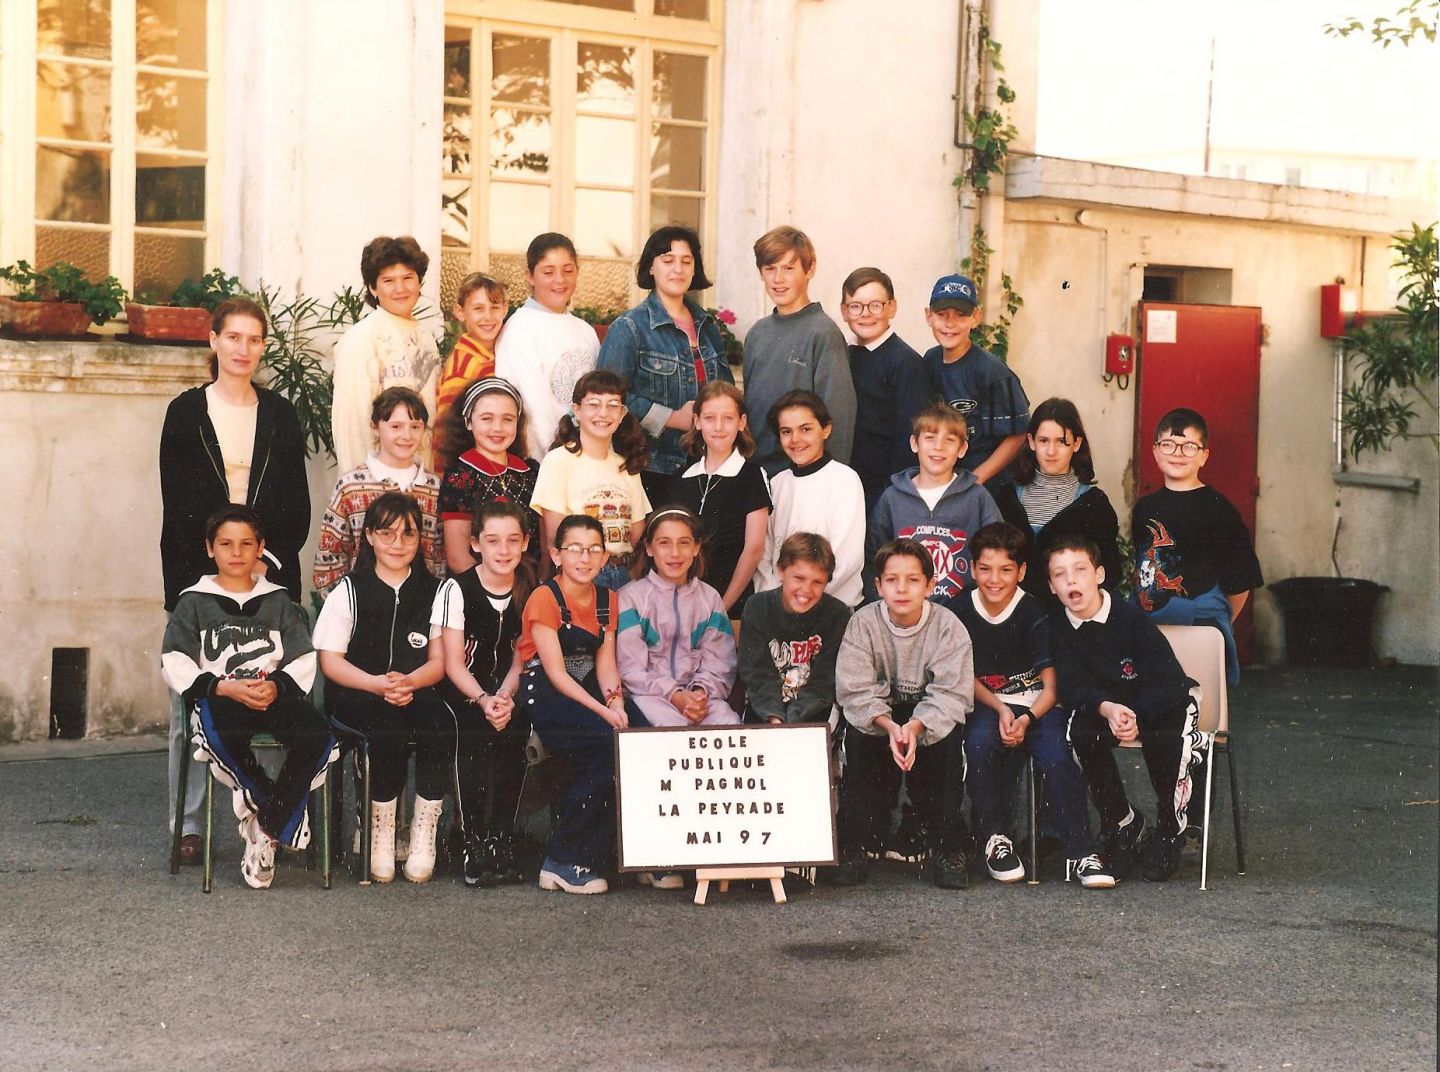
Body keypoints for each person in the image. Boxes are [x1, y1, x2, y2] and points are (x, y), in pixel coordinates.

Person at [159, 297, 310, 865]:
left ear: (262, 347)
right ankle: (189, 824)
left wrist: (262, 560)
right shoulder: (185, 412)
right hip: (202, 577)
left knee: (268, 694)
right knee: (191, 703)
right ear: (214, 341)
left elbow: (295, 501)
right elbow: (177, 505)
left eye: (254, 340)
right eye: (234, 337)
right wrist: (204, 575)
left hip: (265, 573)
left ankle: (273, 816)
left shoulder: (280, 415)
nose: (243, 349)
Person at [160, 506, 335, 890]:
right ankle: (276, 811)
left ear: (261, 548)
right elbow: (175, 659)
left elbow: (303, 656)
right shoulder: (193, 601)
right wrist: (220, 686)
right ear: (210, 549)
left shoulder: (278, 602)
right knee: (218, 734)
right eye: (225, 544)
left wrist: (276, 685)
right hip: (222, 696)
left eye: (246, 544)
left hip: (270, 693)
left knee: (317, 734)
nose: (236, 553)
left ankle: (266, 824)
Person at [944, 522, 1114, 888]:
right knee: (978, 742)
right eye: (985, 569)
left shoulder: (1034, 612)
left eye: (1006, 569)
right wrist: (1002, 710)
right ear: (972, 569)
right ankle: (996, 838)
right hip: (988, 703)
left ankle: (1081, 851)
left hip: (1038, 704)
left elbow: (1052, 687)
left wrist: (1025, 718)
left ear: (1021, 571)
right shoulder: (957, 609)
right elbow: (962, 676)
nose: (994, 579)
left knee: (1056, 753)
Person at [313, 493, 454, 884]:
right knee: (386, 726)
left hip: (414, 687)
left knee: (440, 721)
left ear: (420, 540)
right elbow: (331, 662)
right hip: (357, 690)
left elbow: (439, 662)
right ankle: (380, 833)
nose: (397, 544)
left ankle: (423, 833)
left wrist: (409, 682)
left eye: (408, 535)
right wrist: (377, 684)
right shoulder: (348, 590)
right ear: (370, 537)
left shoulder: (437, 591)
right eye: (386, 533)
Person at [1048, 536, 1204, 883]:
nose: (1071, 580)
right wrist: (1107, 708)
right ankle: (1122, 822)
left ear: (1100, 574)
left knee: (1165, 739)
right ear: (1052, 586)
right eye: (1060, 574)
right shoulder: (1058, 626)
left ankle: (1169, 830)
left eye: (1080, 570)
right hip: (1109, 704)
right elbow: (1071, 686)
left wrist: (1138, 715)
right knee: (1080, 733)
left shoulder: (1129, 618)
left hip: (1160, 700)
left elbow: (1168, 680)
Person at [832, 539, 973, 890]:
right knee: (860, 739)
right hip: (882, 715)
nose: (902, 588)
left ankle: (946, 845)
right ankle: (855, 844)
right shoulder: (863, 623)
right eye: (891, 580)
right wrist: (890, 725)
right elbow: (855, 689)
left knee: (946, 739)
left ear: (929, 584)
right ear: (877, 585)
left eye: (912, 580)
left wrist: (914, 726)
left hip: (924, 715)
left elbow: (951, 692)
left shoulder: (947, 626)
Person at [518, 514, 645, 895]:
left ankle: (632, 855)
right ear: (556, 555)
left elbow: (606, 662)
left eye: (593, 549)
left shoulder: (609, 598)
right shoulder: (545, 597)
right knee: (609, 744)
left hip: (590, 688)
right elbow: (556, 673)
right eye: (574, 548)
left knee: (642, 737)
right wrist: (605, 713)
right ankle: (562, 858)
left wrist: (616, 700)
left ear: (605, 556)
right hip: (547, 691)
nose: (584, 557)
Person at [597, 225, 734, 506]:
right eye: (668, 260)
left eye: (686, 261)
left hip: (709, 464)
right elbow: (606, 400)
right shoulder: (629, 328)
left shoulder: (708, 327)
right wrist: (671, 418)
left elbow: (727, 390)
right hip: (653, 467)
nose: (678, 269)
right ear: (650, 267)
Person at [433, 500, 532, 889]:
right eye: (493, 541)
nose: (503, 550)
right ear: (476, 544)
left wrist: (504, 697)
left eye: (512, 540)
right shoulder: (456, 589)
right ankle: (471, 838)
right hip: (464, 691)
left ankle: (502, 837)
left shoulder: (532, 591)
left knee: (516, 730)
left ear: (525, 543)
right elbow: (453, 663)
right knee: (471, 730)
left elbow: (521, 658)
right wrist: (483, 700)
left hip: (507, 689)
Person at [1131, 407, 1264, 685]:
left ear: (1204, 455)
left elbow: (1241, 581)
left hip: (1199, 625)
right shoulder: (1145, 508)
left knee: (1201, 705)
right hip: (1152, 625)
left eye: (1189, 446)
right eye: (1168, 444)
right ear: (1155, 451)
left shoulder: (1218, 509)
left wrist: (1213, 622)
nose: (1178, 453)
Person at [741, 226, 856, 470]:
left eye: (788, 268)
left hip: (804, 474)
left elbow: (838, 419)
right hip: (759, 475)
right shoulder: (757, 333)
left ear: (810, 269)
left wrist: (828, 479)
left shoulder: (823, 332)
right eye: (770, 269)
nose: (778, 279)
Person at [617, 507, 740, 729]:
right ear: (649, 548)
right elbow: (630, 669)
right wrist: (674, 695)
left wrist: (699, 693)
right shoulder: (630, 598)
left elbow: (721, 662)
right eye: (664, 543)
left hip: (701, 699)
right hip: (649, 697)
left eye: (684, 542)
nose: (675, 553)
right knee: (670, 730)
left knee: (728, 724)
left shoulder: (709, 598)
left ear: (696, 547)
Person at [313, 387, 443, 596]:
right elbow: (330, 558)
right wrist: (346, 607)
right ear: (375, 427)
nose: (406, 436)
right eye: (396, 426)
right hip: (364, 606)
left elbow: (439, 556)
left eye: (415, 427)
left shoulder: (434, 488)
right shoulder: (351, 486)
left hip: (421, 606)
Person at [865, 402, 1001, 603]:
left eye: (949, 440)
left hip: (960, 614)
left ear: (962, 448)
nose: (938, 447)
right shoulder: (892, 498)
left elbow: (998, 553)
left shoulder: (977, 497)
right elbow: (873, 559)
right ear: (914, 443)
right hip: (904, 612)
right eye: (929, 438)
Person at [992, 397, 1122, 605]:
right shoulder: (1007, 498)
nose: (1051, 451)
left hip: (1071, 617)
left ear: (1077, 443)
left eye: (1062, 442)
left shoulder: (1094, 504)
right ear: (1031, 442)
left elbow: (1109, 574)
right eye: (1044, 441)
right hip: (1016, 616)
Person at [530, 369, 652, 591]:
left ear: (623, 413)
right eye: (594, 404)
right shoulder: (559, 461)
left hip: (625, 574)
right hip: (582, 574)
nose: (603, 413)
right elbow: (554, 536)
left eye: (613, 405)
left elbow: (636, 532)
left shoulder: (626, 465)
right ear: (576, 410)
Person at [331, 235, 441, 473]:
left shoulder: (426, 339)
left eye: (408, 278)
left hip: (420, 479)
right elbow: (352, 428)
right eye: (389, 280)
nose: (400, 289)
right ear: (373, 287)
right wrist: (363, 489)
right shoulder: (361, 339)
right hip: (375, 487)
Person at [754, 391, 866, 608]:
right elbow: (764, 556)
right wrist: (778, 604)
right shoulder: (776, 484)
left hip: (829, 609)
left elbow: (847, 558)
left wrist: (804, 600)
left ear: (826, 429)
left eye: (805, 429)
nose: (795, 439)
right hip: (779, 609)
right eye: (786, 431)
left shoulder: (844, 480)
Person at [494, 233, 599, 459]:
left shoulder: (586, 331)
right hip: (544, 463)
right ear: (530, 276)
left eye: (568, 271)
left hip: (586, 459)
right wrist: (554, 463)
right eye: (548, 272)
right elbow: (532, 412)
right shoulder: (519, 329)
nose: (560, 280)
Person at [673, 381, 773, 619]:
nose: (718, 427)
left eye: (728, 418)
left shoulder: (751, 475)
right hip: (683, 604)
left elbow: (754, 549)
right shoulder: (683, 477)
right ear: (697, 421)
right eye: (709, 418)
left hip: (730, 604)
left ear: (742, 422)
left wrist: (721, 608)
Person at [840, 267, 933, 517]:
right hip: (846, 483)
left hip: (882, 490)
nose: (866, 314)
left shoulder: (905, 363)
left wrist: (891, 494)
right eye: (856, 306)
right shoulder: (843, 355)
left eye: (875, 305)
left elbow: (909, 437)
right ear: (844, 311)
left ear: (891, 308)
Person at [921, 273, 1029, 487]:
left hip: (984, 485)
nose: (950, 324)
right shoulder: (930, 360)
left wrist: (977, 479)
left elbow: (1018, 433)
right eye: (942, 314)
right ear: (928, 316)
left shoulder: (991, 371)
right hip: (943, 477)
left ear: (976, 318)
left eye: (960, 315)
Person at [738, 533, 851, 725]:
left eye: (817, 582)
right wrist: (776, 719)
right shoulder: (758, 606)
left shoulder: (837, 615)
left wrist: (793, 726)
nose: (806, 590)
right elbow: (757, 675)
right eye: (799, 578)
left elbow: (824, 682)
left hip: (814, 711)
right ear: (781, 571)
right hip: (765, 709)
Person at [434, 376, 540, 574]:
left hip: (529, 588)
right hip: (482, 590)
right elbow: (458, 557)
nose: (497, 428)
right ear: (468, 422)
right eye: (487, 418)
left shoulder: (530, 472)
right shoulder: (461, 476)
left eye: (507, 419)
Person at [436, 272, 508, 425]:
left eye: (495, 307)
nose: (488, 316)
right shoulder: (463, 365)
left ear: (505, 309)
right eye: (478, 309)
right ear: (460, 312)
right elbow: (446, 425)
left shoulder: (503, 352)